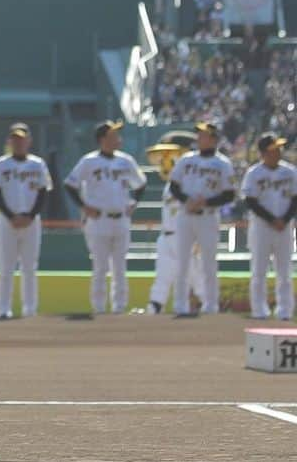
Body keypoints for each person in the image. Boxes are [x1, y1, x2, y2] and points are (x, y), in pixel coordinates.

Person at [63, 121, 146, 315]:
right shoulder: (89, 161)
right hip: (99, 219)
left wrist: (135, 201)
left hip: (121, 219)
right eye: (114, 135)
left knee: (120, 267)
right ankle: (99, 308)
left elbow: (140, 184)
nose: (118, 138)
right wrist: (84, 206)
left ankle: (119, 307)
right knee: (100, 267)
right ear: (103, 139)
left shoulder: (126, 160)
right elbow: (70, 184)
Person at [169, 121, 237, 316]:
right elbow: (174, 186)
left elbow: (229, 194)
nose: (199, 138)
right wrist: (187, 200)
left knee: (209, 263)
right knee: (182, 261)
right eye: (199, 135)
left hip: (208, 216)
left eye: (204, 135)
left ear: (214, 139)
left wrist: (206, 202)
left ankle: (211, 305)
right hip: (186, 214)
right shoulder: (186, 159)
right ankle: (179, 305)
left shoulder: (223, 163)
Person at [0, 123, 52, 318]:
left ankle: (30, 309)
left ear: (29, 141)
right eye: (15, 139)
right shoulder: (1, 164)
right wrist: (10, 215)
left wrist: (30, 216)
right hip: (8, 221)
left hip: (31, 221)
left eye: (22, 139)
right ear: (9, 141)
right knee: (6, 267)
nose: (18, 143)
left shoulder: (38, 164)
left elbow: (43, 192)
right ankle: (3, 309)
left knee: (29, 267)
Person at [144, 131, 204, 314]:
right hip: (166, 237)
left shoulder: (191, 181)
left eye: (170, 155)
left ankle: (208, 310)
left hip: (183, 237)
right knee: (162, 277)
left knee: (195, 280)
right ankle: (154, 308)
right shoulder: (171, 182)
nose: (164, 160)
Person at [240, 134, 297, 321]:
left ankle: (285, 310)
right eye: (274, 149)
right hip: (261, 226)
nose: (278, 152)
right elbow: (251, 201)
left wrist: (285, 219)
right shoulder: (254, 173)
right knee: (259, 270)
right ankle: (259, 310)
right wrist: (273, 220)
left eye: (279, 149)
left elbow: (295, 199)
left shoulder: (290, 171)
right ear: (263, 153)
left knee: (284, 271)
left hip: (285, 226)